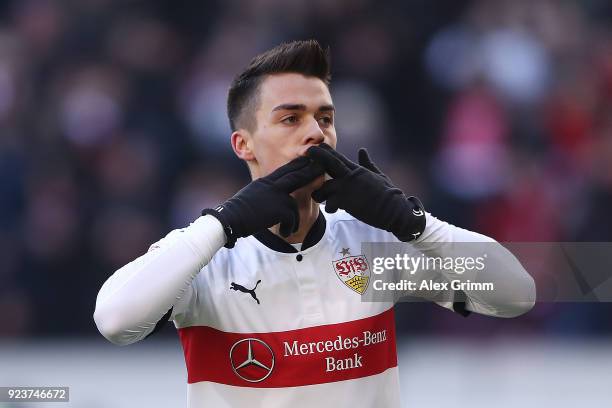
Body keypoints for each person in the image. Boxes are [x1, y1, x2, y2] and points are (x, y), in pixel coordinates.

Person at [94, 40, 535, 407]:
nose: (316, 133)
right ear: (242, 144)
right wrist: (225, 222)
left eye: (325, 118)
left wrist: (413, 222)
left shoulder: (373, 245)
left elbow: (518, 294)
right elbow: (115, 320)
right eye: (291, 118)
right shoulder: (205, 256)